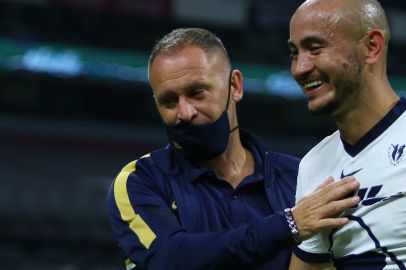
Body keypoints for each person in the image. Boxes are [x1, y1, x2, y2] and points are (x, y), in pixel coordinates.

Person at [107, 28, 360, 270]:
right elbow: (171, 259)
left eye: (197, 93)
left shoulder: (300, 176)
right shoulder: (139, 182)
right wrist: (289, 224)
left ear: (235, 86)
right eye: (169, 101)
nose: (185, 112)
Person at [287, 0, 406, 269]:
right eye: (294, 52)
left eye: (315, 48)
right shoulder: (313, 164)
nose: (299, 68)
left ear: (372, 47)